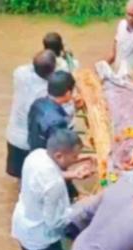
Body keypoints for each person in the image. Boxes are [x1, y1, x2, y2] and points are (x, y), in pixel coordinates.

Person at [11, 129, 87, 250]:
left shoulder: (36, 155)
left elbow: (42, 181)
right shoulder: (55, 185)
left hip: (22, 226)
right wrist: (81, 206)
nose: (76, 160)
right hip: (41, 239)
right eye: (74, 157)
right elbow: (54, 222)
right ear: (59, 156)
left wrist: (73, 174)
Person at [28, 70, 81, 201]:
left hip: (33, 154)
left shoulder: (38, 103)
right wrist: (76, 172)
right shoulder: (57, 122)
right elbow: (60, 155)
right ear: (68, 93)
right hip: (49, 166)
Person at [5, 50, 56, 178]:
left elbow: (32, 66)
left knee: (19, 178)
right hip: (31, 143)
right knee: (33, 178)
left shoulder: (20, 74)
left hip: (13, 136)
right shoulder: (47, 91)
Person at [43, 32, 81, 128]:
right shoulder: (72, 64)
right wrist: (68, 56)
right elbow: (76, 74)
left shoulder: (43, 66)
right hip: (68, 110)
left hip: (49, 110)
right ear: (61, 47)